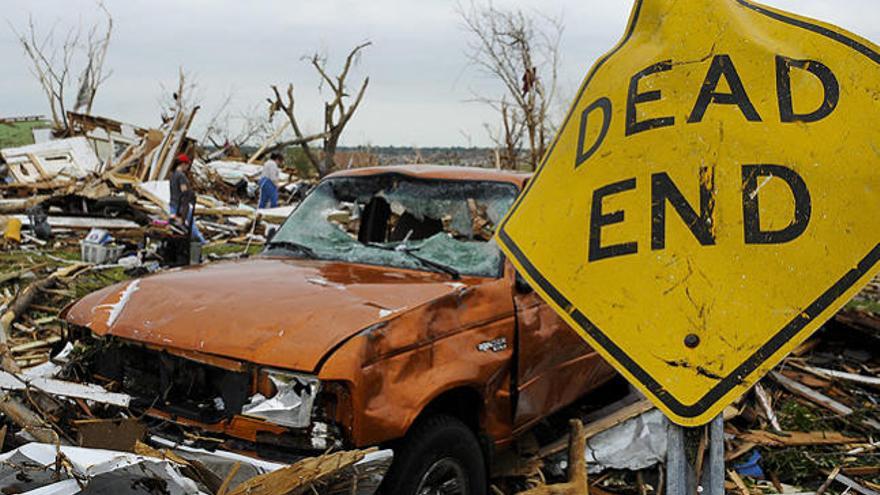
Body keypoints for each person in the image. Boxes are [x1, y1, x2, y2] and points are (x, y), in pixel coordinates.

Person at [169, 154, 206, 244]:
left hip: (173, 204)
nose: (188, 167)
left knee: (175, 226)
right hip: (181, 206)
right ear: (183, 164)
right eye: (187, 165)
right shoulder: (181, 176)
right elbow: (184, 191)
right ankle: (202, 242)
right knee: (191, 225)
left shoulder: (172, 175)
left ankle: (177, 244)